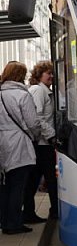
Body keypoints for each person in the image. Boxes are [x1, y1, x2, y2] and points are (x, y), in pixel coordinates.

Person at [0, 61, 41, 234]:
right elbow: (32, 122)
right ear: (20, 75)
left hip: (2, 143)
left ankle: (4, 220)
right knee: (18, 185)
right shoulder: (22, 95)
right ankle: (14, 223)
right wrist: (36, 135)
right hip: (19, 144)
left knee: (5, 186)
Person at [23, 61, 58, 222]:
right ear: (39, 75)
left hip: (43, 143)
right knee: (49, 178)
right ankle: (54, 211)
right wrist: (51, 136)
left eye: (52, 73)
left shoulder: (44, 91)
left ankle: (30, 213)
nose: (51, 76)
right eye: (48, 73)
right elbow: (37, 117)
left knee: (35, 179)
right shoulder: (38, 90)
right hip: (43, 144)